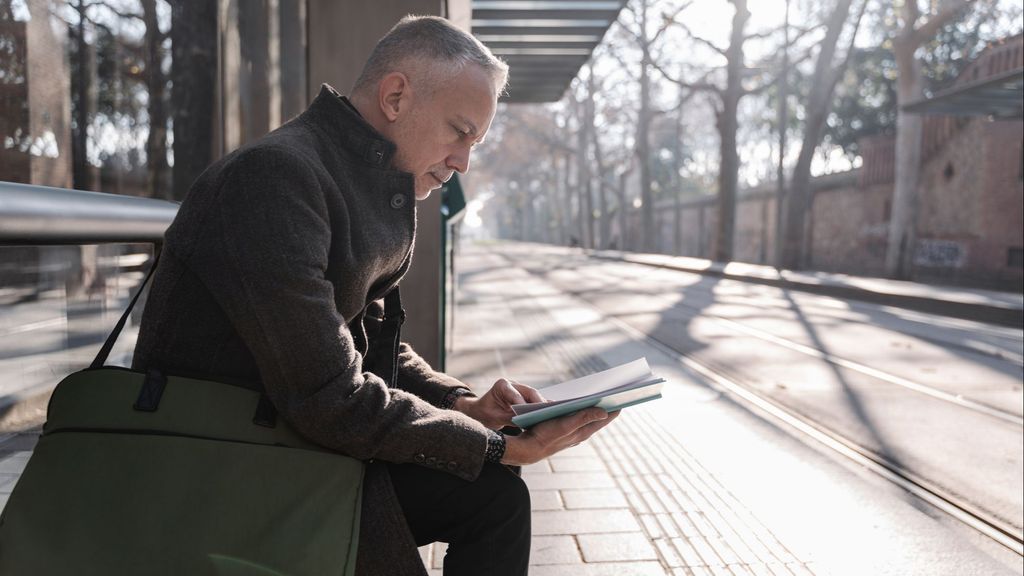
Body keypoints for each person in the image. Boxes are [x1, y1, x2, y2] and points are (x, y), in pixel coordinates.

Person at [132, 15, 618, 576]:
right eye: (460, 131)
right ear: (394, 97)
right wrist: (493, 445)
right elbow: (328, 394)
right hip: (222, 468)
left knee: (495, 496)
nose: (463, 162)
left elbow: (367, 344)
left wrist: (463, 405)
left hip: (286, 444)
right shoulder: (275, 178)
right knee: (490, 484)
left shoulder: (353, 181)